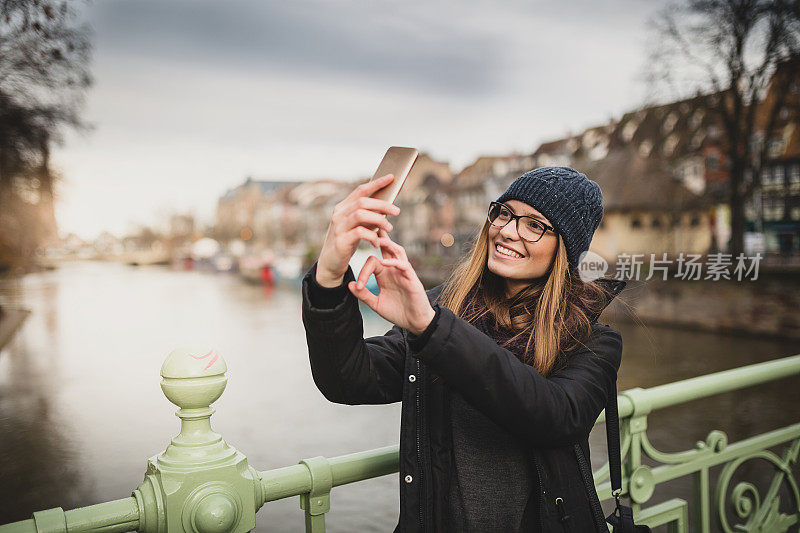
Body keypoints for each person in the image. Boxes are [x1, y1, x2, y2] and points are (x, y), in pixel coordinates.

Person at [301, 166, 627, 532]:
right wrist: (328, 277)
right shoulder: (442, 309)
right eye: (504, 213)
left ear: (564, 249)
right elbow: (349, 380)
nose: (506, 230)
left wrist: (433, 329)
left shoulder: (593, 340)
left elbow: (554, 416)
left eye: (534, 225)